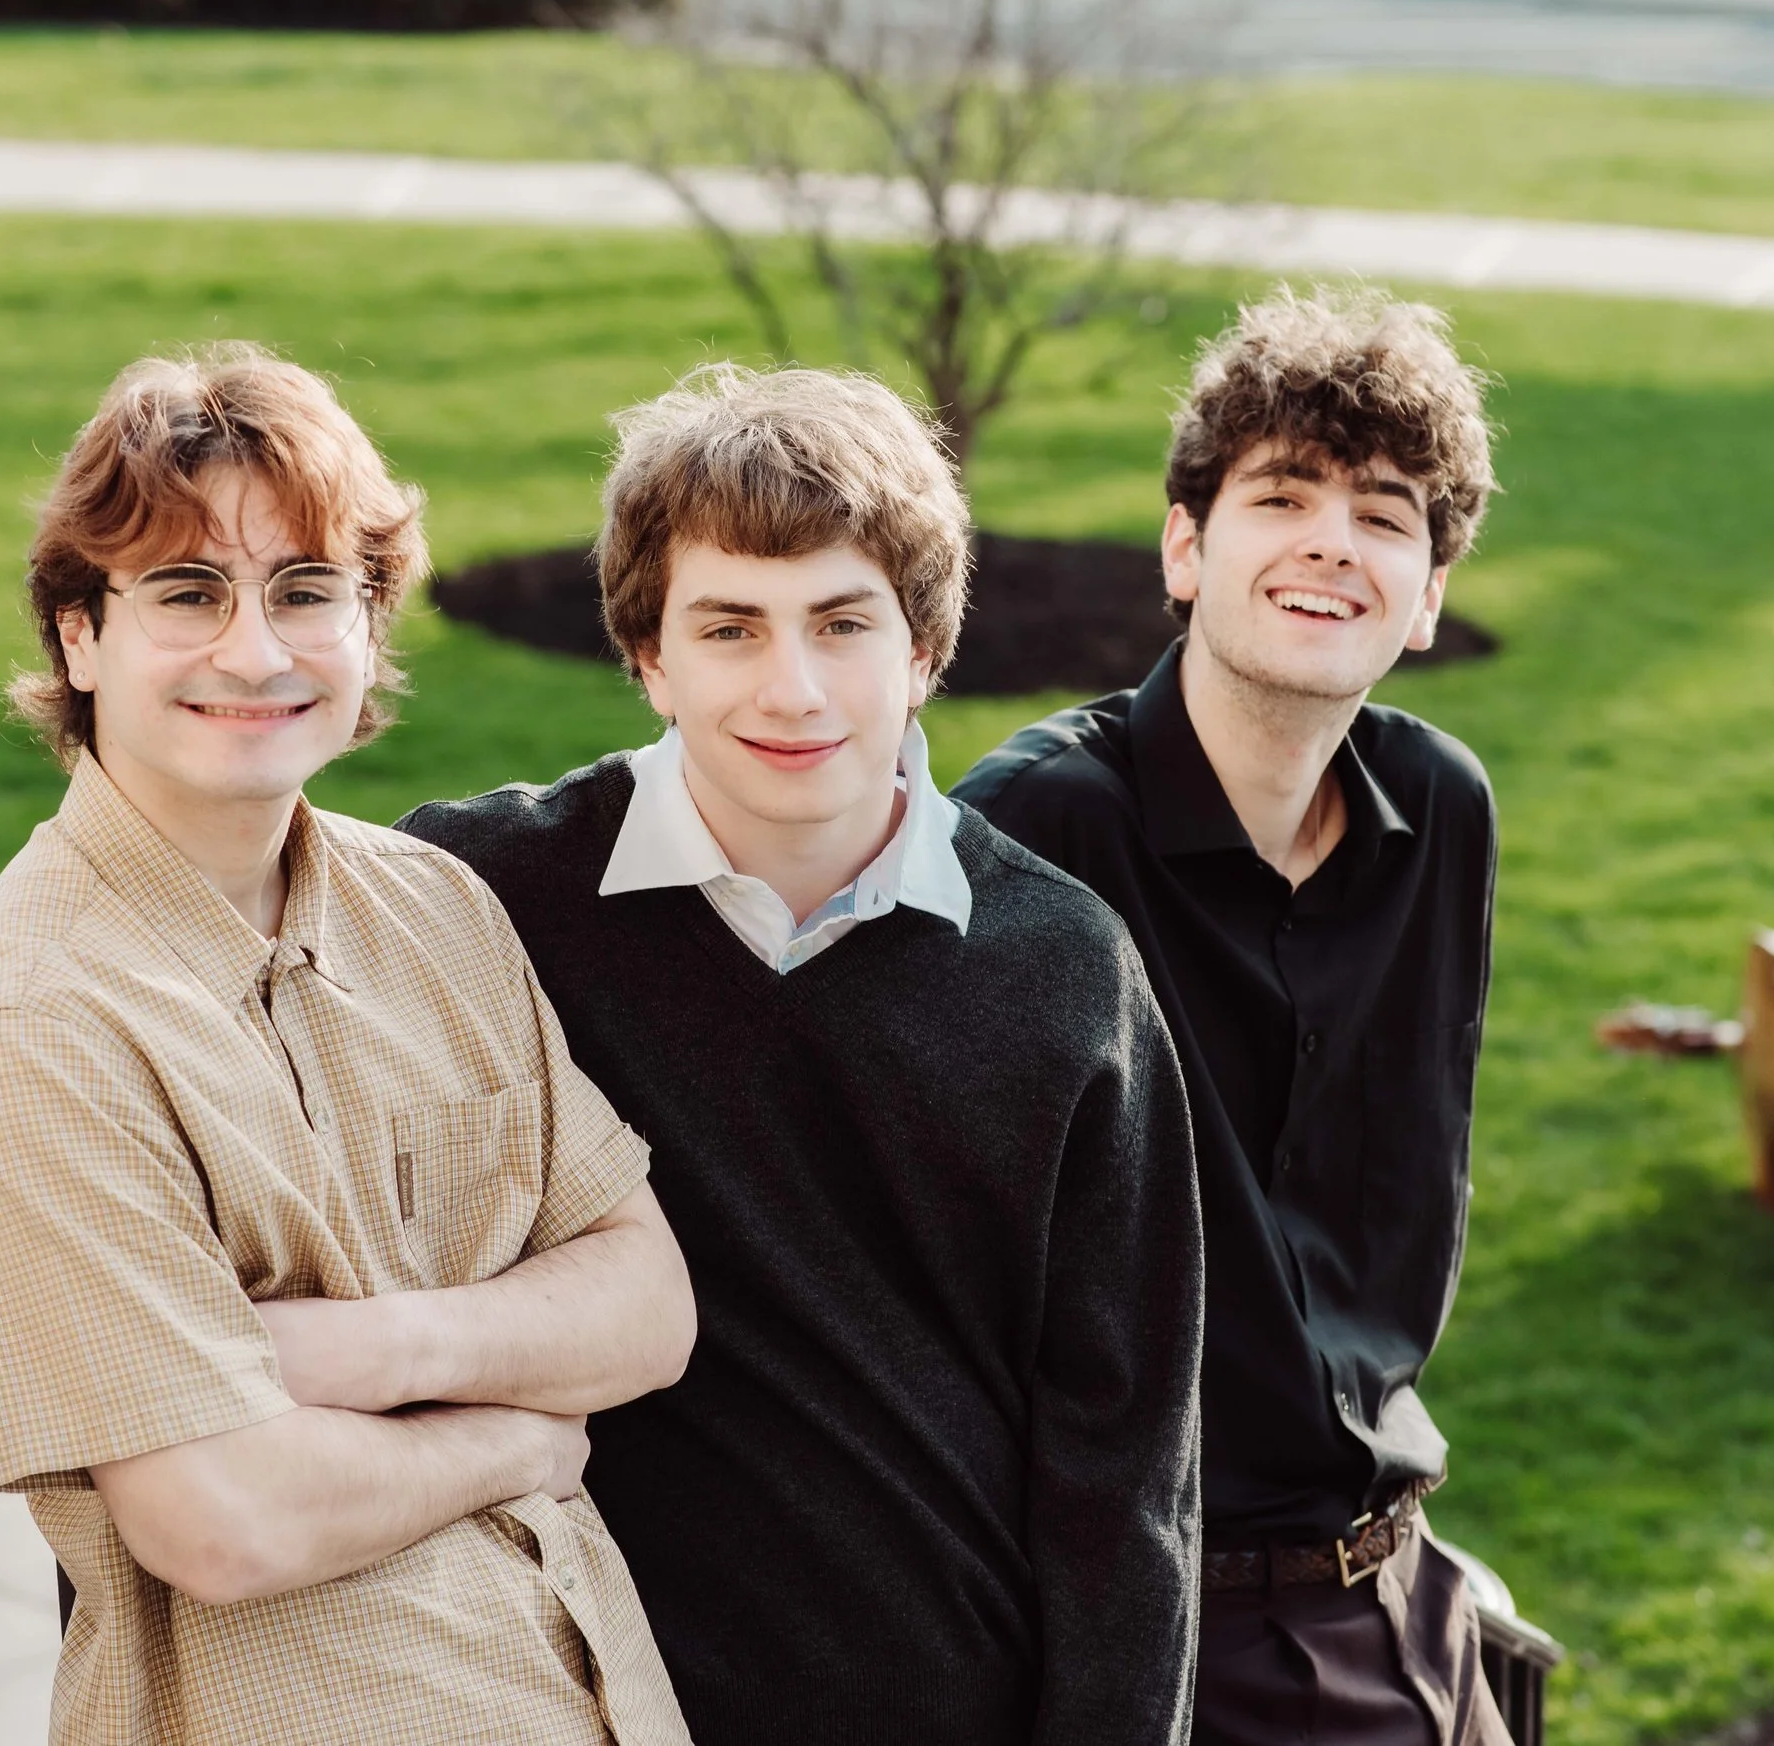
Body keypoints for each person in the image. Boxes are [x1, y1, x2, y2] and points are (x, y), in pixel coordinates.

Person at [0, 347, 695, 1745]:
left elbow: (648, 1303)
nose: (256, 652)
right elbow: (226, 1521)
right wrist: (512, 1434)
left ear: (371, 626)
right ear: (80, 634)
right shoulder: (30, 1034)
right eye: (188, 592)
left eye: (309, 592)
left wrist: (362, 1350)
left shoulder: (433, 905)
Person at [398, 363, 1208, 1746]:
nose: (793, 687)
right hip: (564, 1701)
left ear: (923, 649)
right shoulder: (476, 900)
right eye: (730, 627)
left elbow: (1127, 1478)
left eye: (843, 623)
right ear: (650, 655)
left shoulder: (1065, 971)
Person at [954, 286, 1506, 1746]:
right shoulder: (1039, 830)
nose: (1337, 539)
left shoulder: (1438, 807)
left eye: (1388, 516)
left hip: (1403, 1593)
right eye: (1285, 495)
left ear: (1432, 589)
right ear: (1186, 548)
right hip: (1171, 1630)